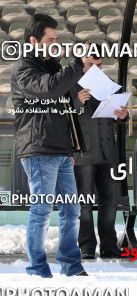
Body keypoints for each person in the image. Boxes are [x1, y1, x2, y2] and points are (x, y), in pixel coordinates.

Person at [12, 14, 96, 277]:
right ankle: (37, 267)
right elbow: (48, 90)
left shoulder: (55, 68)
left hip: (60, 151)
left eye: (56, 40)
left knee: (72, 210)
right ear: (33, 40)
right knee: (42, 210)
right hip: (38, 150)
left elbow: (66, 109)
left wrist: (70, 149)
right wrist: (76, 67)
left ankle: (71, 265)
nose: (54, 44)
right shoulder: (24, 69)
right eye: (50, 40)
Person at [70, 52, 129, 260]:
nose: (96, 68)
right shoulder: (70, 85)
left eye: (99, 64)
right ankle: (86, 246)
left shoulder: (110, 85)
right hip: (83, 153)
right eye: (90, 64)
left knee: (110, 201)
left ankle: (109, 246)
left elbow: (119, 114)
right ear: (80, 65)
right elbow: (60, 115)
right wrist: (77, 102)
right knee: (84, 202)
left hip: (107, 152)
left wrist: (123, 115)